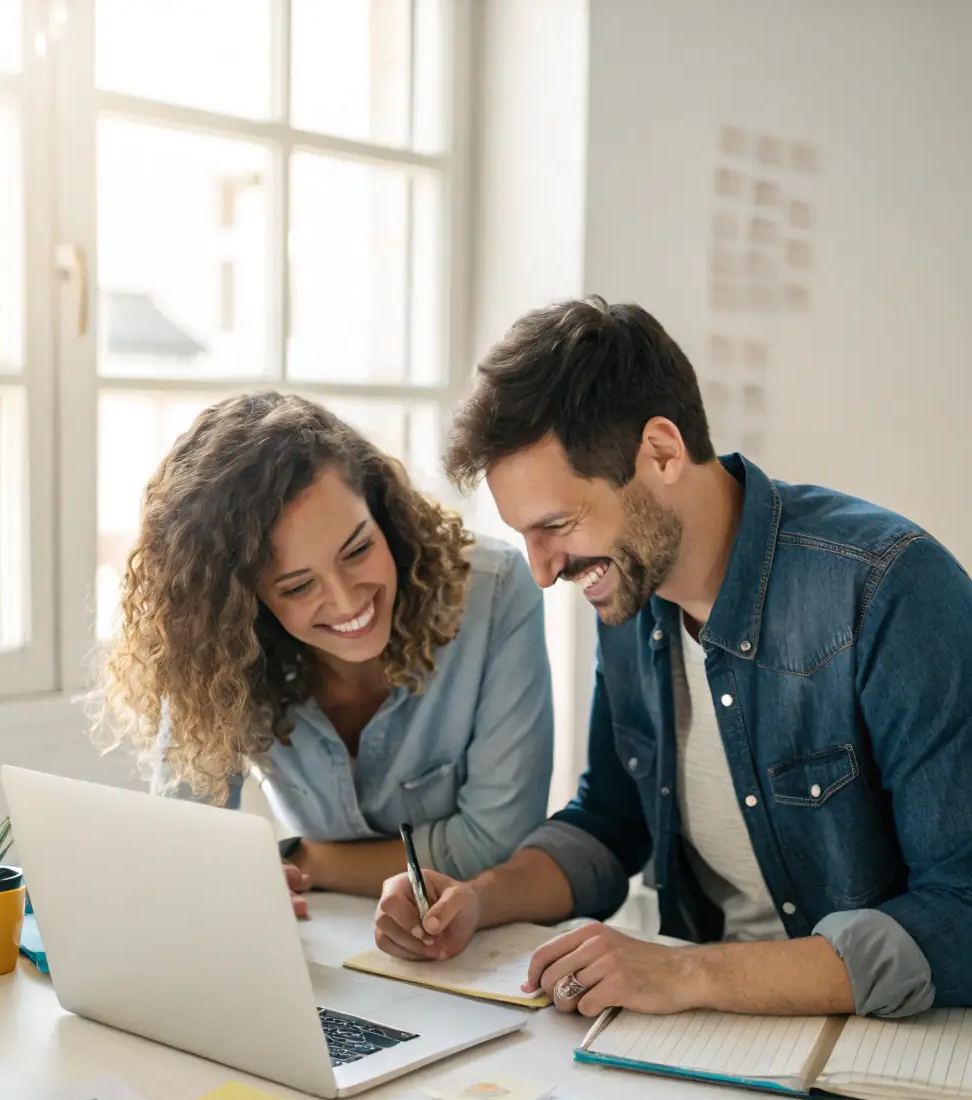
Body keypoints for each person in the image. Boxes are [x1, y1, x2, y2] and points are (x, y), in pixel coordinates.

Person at [375, 296, 972, 1019]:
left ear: (661, 451)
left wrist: (687, 974)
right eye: (526, 535)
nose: (540, 570)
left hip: (882, 1052)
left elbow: (961, 909)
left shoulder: (889, 589)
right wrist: (478, 898)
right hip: (709, 1045)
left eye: (556, 525)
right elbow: (611, 819)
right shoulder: (633, 590)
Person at [96, 392, 553, 915]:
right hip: (323, 944)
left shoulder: (493, 592)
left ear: (382, 513)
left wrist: (299, 862)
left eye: (358, 550)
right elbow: (185, 844)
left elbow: (493, 844)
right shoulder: (220, 647)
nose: (346, 601)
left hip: (477, 949)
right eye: (296, 587)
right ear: (249, 607)